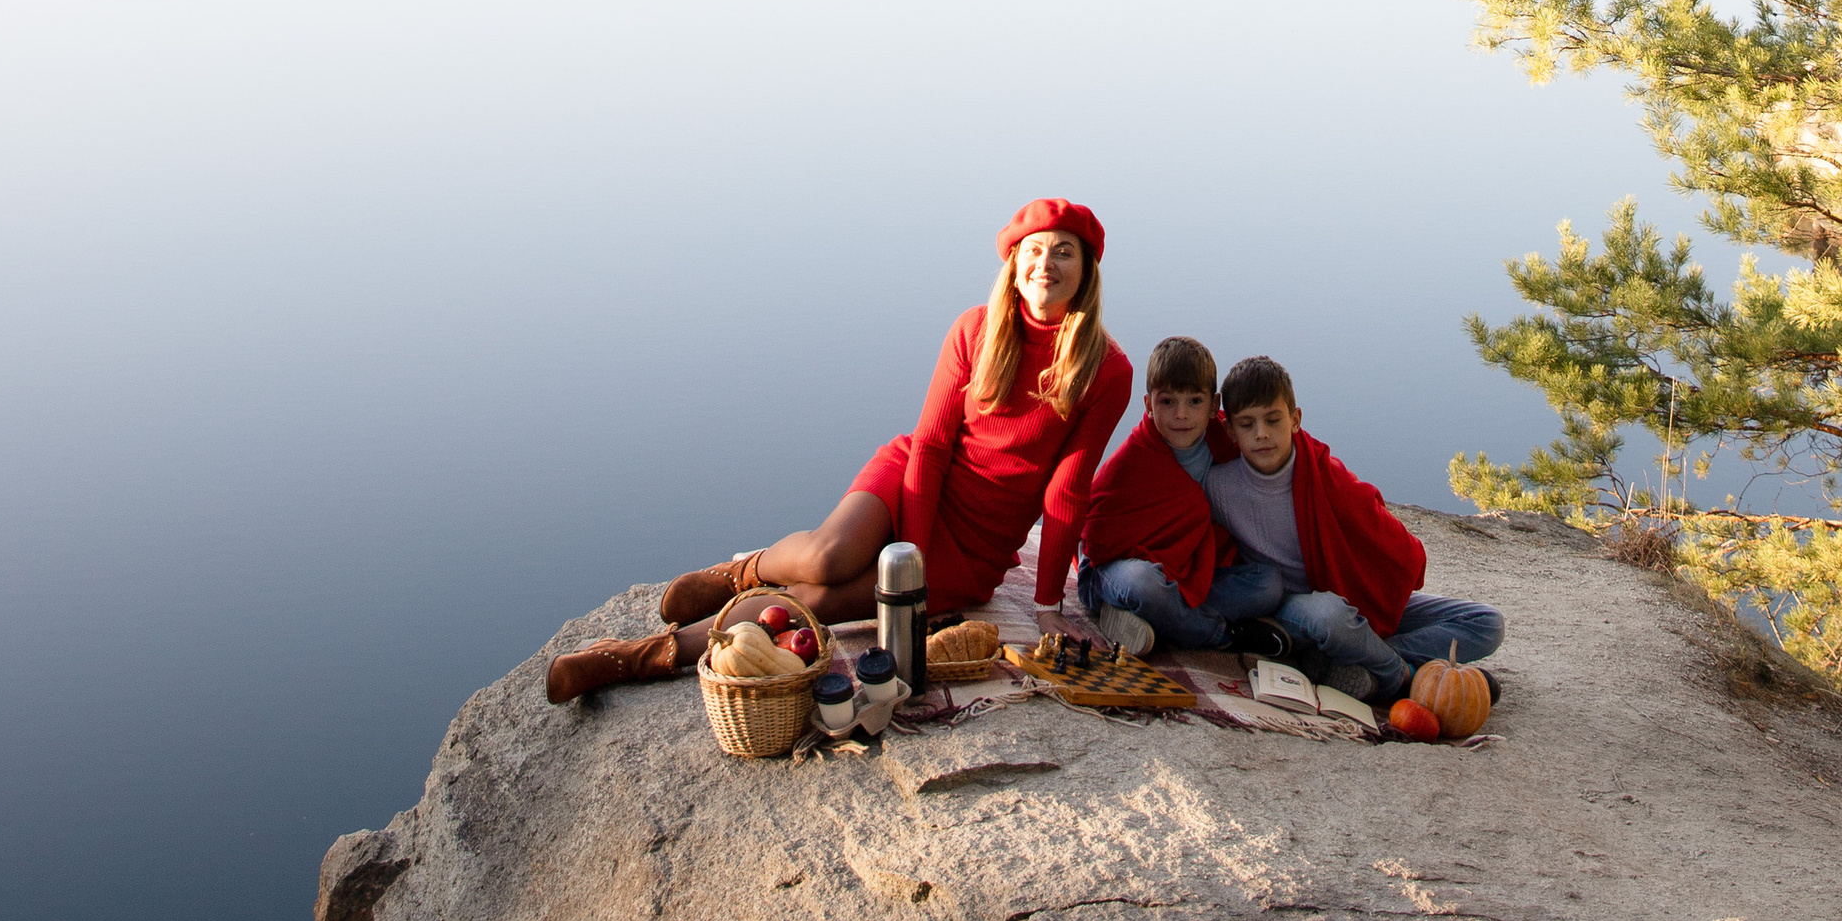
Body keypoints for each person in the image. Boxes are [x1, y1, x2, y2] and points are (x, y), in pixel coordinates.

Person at [545, 200, 1130, 701]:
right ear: (1013, 263)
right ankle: (742, 573)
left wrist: (1050, 602)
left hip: (975, 549)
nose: (1045, 264)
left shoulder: (1107, 369)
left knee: (816, 600)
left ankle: (638, 657)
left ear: (1086, 270)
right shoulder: (975, 329)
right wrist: (911, 559)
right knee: (828, 557)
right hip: (915, 480)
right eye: (1034, 250)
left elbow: (1067, 490)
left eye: (1063, 252)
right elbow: (928, 446)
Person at [1202, 349, 1502, 710]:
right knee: (1329, 616)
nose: (1262, 435)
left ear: (1295, 419)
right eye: (1247, 424)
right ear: (1230, 430)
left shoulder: (1324, 474)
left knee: (1486, 622)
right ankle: (1400, 675)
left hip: (1351, 594)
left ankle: (1359, 657)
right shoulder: (1219, 486)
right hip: (1292, 609)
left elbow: (1381, 532)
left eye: (1273, 420)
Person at [1075, 334, 1293, 657]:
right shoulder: (1132, 461)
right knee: (1142, 585)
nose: (1181, 415)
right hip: (1115, 573)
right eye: (1167, 402)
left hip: (1188, 573)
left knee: (1269, 584)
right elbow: (1093, 538)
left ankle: (1156, 620)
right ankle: (1223, 634)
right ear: (1148, 405)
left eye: (1194, 401)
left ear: (1214, 406)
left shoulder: (1225, 443)